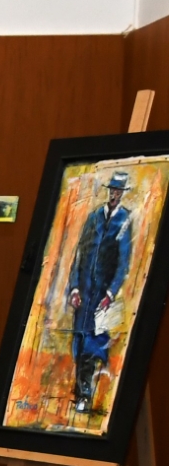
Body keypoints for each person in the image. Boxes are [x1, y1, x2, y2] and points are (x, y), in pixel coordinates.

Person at [69, 168, 133, 414]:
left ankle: (85, 395)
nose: (115, 194)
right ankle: (82, 394)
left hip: (101, 299)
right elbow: (80, 254)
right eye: (113, 190)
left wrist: (110, 293)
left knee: (93, 347)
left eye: (119, 191)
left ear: (123, 193)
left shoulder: (124, 221)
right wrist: (74, 287)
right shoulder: (95, 216)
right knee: (79, 343)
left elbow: (123, 264)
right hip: (84, 295)